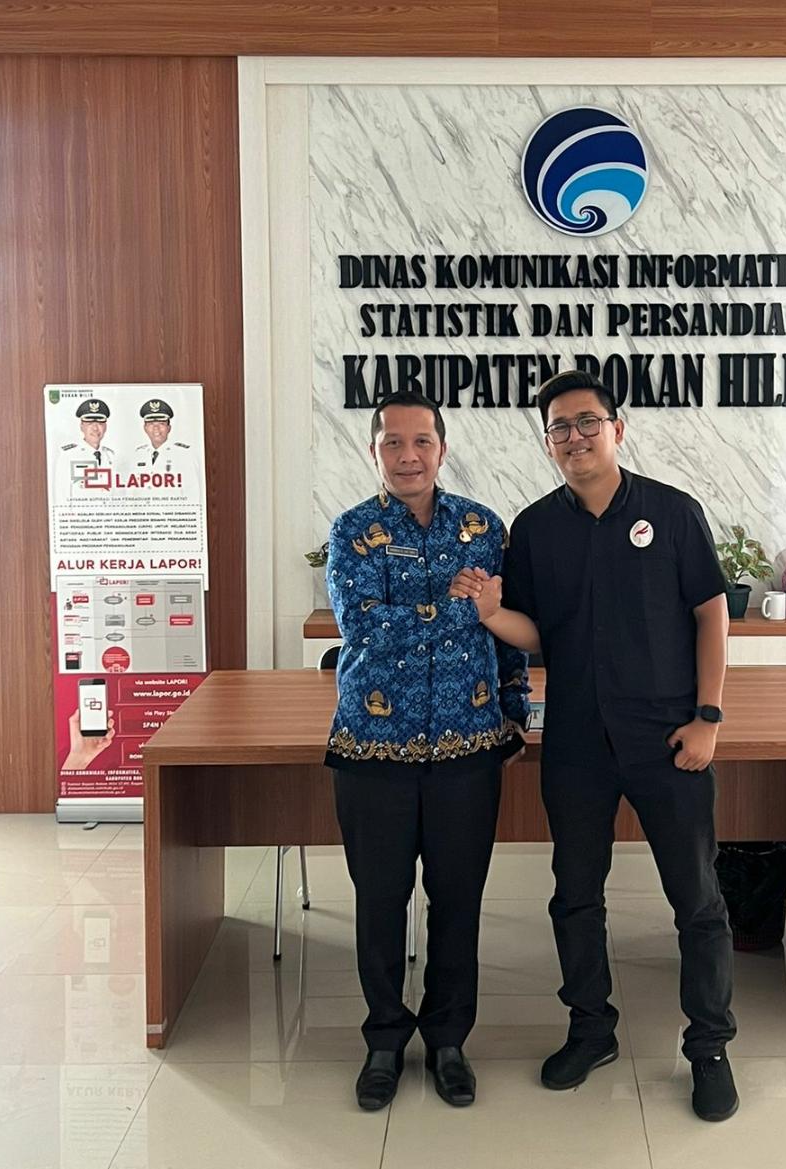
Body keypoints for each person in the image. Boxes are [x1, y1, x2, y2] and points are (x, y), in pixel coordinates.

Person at [450, 370, 739, 1123]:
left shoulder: (672, 512)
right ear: (547, 442)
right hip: (577, 737)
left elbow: (711, 613)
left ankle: (709, 1046)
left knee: (696, 897)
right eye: (559, 427)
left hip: (667, 734)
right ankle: (590, 1027)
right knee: (576, 893)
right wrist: (491, 613)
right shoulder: (535, 528)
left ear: (617, 428)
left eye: (587, 422)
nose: (574, 437)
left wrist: (708, 716)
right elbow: (537, 632)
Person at [325, 389, 529, 1112]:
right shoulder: (352, 531)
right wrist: (459, 606)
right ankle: (384, 1039)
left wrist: (514, 715)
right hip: (373, 750)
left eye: (421, 441)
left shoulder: (483, 528)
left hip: (467, 749)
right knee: (380, 903)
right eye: (392, 442)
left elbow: (505, 629)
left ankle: (448, 1040)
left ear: (442, 449)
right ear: (373, 450)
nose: (407, 455)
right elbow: (364, 627)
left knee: (458, 902)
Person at [130, 399, 200, 490]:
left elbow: (192, 491)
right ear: (145, 428)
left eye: (161, 423)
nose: (156, 428)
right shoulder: (138, 454)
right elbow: (131, 491)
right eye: (151, 424)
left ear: (169, 428)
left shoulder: (183, 455)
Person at [54, 399, 115, 499]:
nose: (95, 428)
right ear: (81, 426)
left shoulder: (111, 456)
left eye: (99, 423)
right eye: (90, 423)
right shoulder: (68, 456)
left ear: (105, 427)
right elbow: (62, 497)